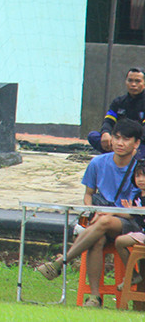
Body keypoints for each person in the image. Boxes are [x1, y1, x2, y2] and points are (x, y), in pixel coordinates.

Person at [36, 117, 143, 307]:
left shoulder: (140, 169)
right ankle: (95, 297)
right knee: (97, 238)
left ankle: (61, 262)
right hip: (100, 219)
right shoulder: (97, 163)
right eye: (117, 137)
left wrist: (109, 213)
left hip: (131, 221)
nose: (120, 143)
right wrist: (92, 210)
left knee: (104, 222)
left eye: (126, 139)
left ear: (136, 143)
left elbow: (136, 208)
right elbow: (88, 195)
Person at [88, 68, 145, 156]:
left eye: (137, 81)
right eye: (130, 80)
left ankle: (120, 154)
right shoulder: (118, 102)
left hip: (138, 142)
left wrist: (128, 141)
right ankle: (118, 154)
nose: (133, 84)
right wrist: (105, 133)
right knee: (93, 136)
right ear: (126, 82)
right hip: (119, 140)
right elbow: (108, 121)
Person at [114, 160, 145, 286]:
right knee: (120, 241)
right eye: (138, 176)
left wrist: (135, 209)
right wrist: (114, 213)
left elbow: (139, 210)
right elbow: (131, 214)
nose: (141, 179)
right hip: (142, 233)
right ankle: (133, 274)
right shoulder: (137, 196)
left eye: (144, 175)